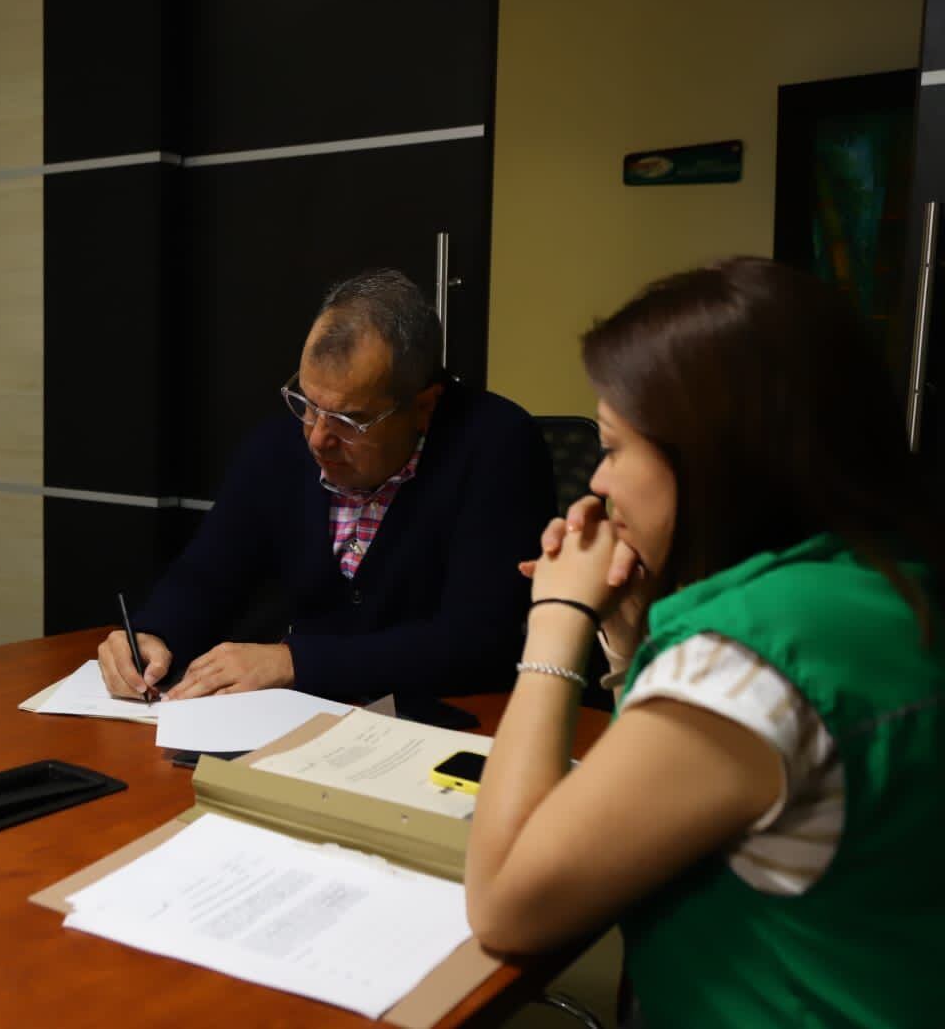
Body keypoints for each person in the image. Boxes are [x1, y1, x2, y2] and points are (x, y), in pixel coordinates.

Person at [465, 257, 944, 1028]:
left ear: (713, 457)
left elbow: (506, 906)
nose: (598, 485)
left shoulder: (744, 660)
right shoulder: (884, 583)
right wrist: (630, 634)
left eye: (614, 447)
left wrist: (557, 612)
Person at [96, 269, 556, 708]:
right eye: (309, 404)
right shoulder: (279, 445)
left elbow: (478, 640)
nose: (317, 437)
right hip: (300, 721)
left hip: (445, 722)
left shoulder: (496, 446)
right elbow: (207, 575)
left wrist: (297, 662)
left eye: (349, 420)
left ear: (423, 407)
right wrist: (154, 633)